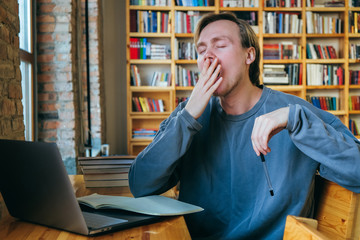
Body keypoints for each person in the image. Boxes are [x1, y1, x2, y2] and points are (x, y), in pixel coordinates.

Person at [129, 12, 360, 239]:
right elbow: (140, 185)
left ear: (249, 55)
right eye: (201, 51)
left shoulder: (296, 114)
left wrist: (296, 121)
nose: (208, 57)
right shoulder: (188, 116)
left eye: (219, 45)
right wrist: (187, 116)